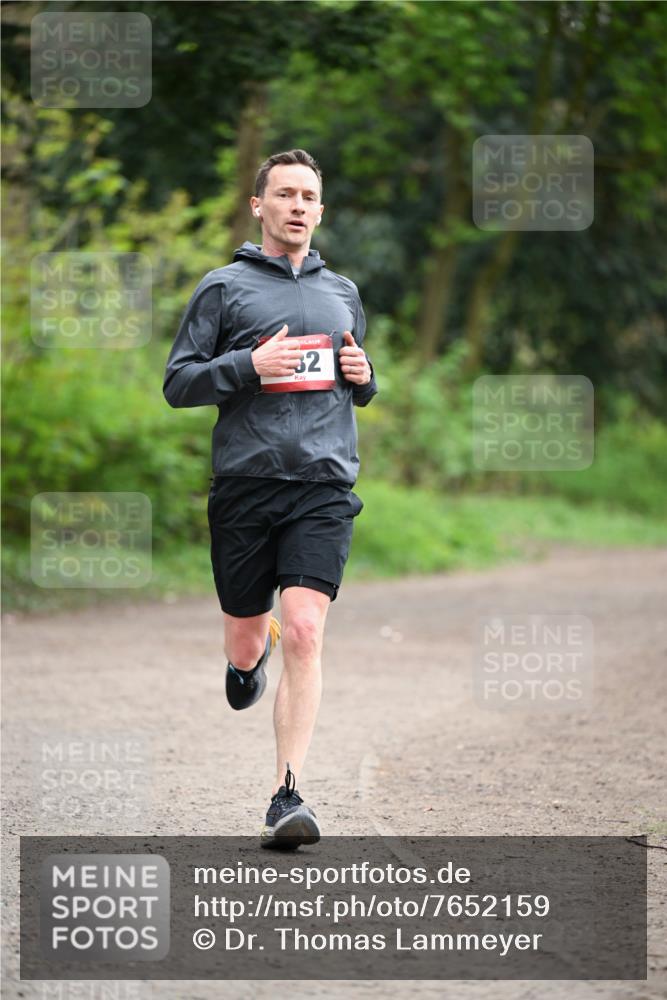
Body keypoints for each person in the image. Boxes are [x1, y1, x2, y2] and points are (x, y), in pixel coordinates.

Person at [163, 149, 377, 848]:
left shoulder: (341, 291)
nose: (296, 205)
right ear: (258, 206)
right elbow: (178, 383)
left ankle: (287, 795)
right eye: (282, 193)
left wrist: (364, 375)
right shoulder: (222, 288)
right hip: (245, 487)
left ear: (320, 211)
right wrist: (245, 367)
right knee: (250, 634)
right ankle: (244, 662)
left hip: (322, 486)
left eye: (307, 196)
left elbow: (352, 379)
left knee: (307, 629)